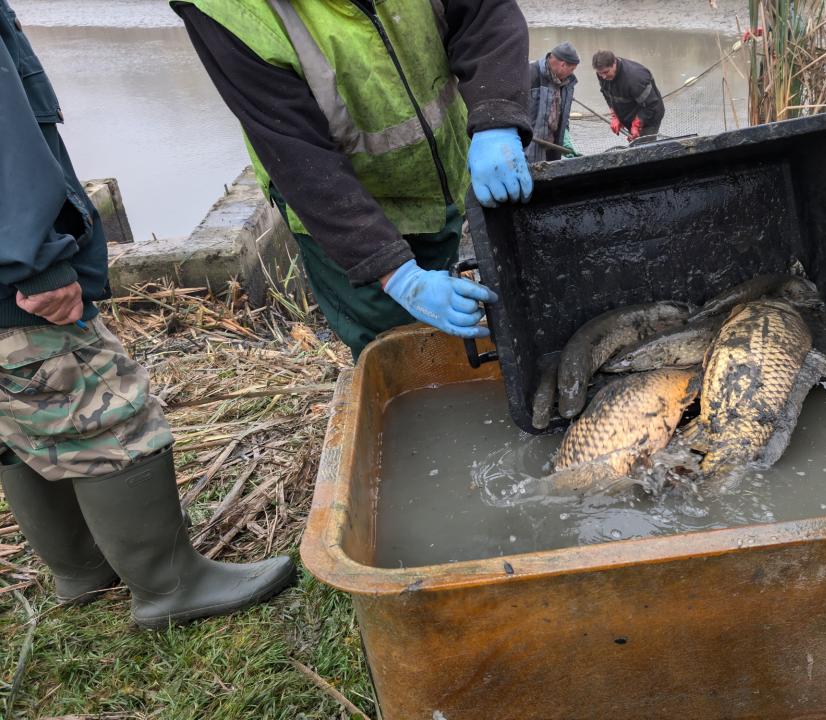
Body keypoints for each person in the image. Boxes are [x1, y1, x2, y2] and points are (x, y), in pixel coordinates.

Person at [0, 1, 295, 629]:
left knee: (20, 418)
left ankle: (81, 568)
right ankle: (170, 585)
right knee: (101, 410)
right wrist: (34, 260)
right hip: (16, 281)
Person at [173, 0, 535, 359]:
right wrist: (396, 274)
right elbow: (298, 155)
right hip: (337, 205)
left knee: (448, 323)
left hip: (436, 177)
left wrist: (496, 118)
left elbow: (484, 13)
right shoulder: (225, 9)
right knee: (394, 340)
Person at [592, 50, 664, 143]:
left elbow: (652, 105)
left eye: (606, 72)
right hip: (629, 114)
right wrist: (615, 116)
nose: (603, 77)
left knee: (644, 147)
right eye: (600, 73)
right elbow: (607, 93)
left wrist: (636, 124)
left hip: (650, 116)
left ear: (614, 63)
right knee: (635, 143)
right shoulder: (602, 73)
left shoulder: (635, 78)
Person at [528, 42, 578, 163]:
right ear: (562, 65)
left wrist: (565, 135)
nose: (572, 73)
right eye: (571, 69)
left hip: (552, 148)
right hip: (528, 148)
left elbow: (563, 114)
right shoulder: (529, 74)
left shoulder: (567, 83)